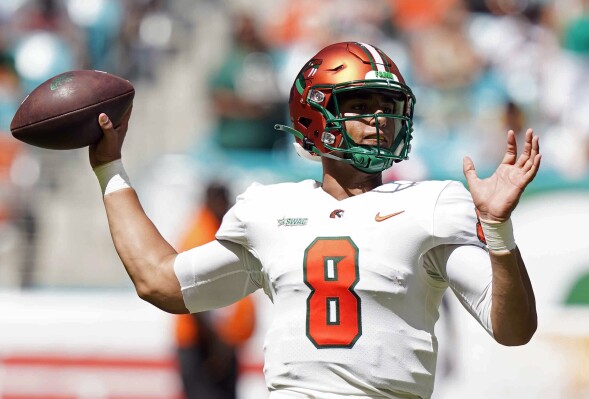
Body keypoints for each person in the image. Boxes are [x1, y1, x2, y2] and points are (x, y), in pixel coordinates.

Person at [89, 41, 540, 399]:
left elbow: (513, 329)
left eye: (388, 105)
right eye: (361, 106)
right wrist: (110, 168)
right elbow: (160, 282)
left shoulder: (431, 203)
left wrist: (498, 229)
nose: (380, 120)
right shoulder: (268, 209)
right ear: (313, 115)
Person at [174, 181, 255, 399]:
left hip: (218, 342)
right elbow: (193, 296)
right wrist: (216, 346)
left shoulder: (212, 230)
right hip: (203, 344)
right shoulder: (199, 235)